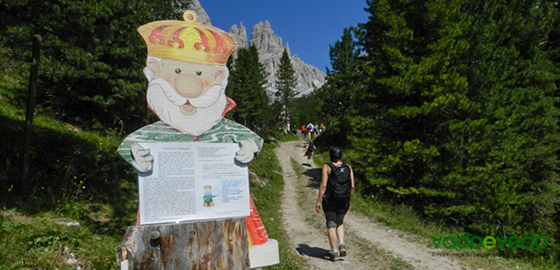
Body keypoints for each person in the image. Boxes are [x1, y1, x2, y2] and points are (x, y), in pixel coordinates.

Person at [316, 146, 355, 261]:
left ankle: (334, 252)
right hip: (344, 200)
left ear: (331, 155)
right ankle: (341, 244)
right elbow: (352, 186)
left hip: (330, 200)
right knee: (340, 222)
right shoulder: (348, 167)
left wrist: (318, 201)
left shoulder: (327, 167)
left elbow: (323, 185)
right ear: (340, 155)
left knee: (331, 225)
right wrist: (349, 198)